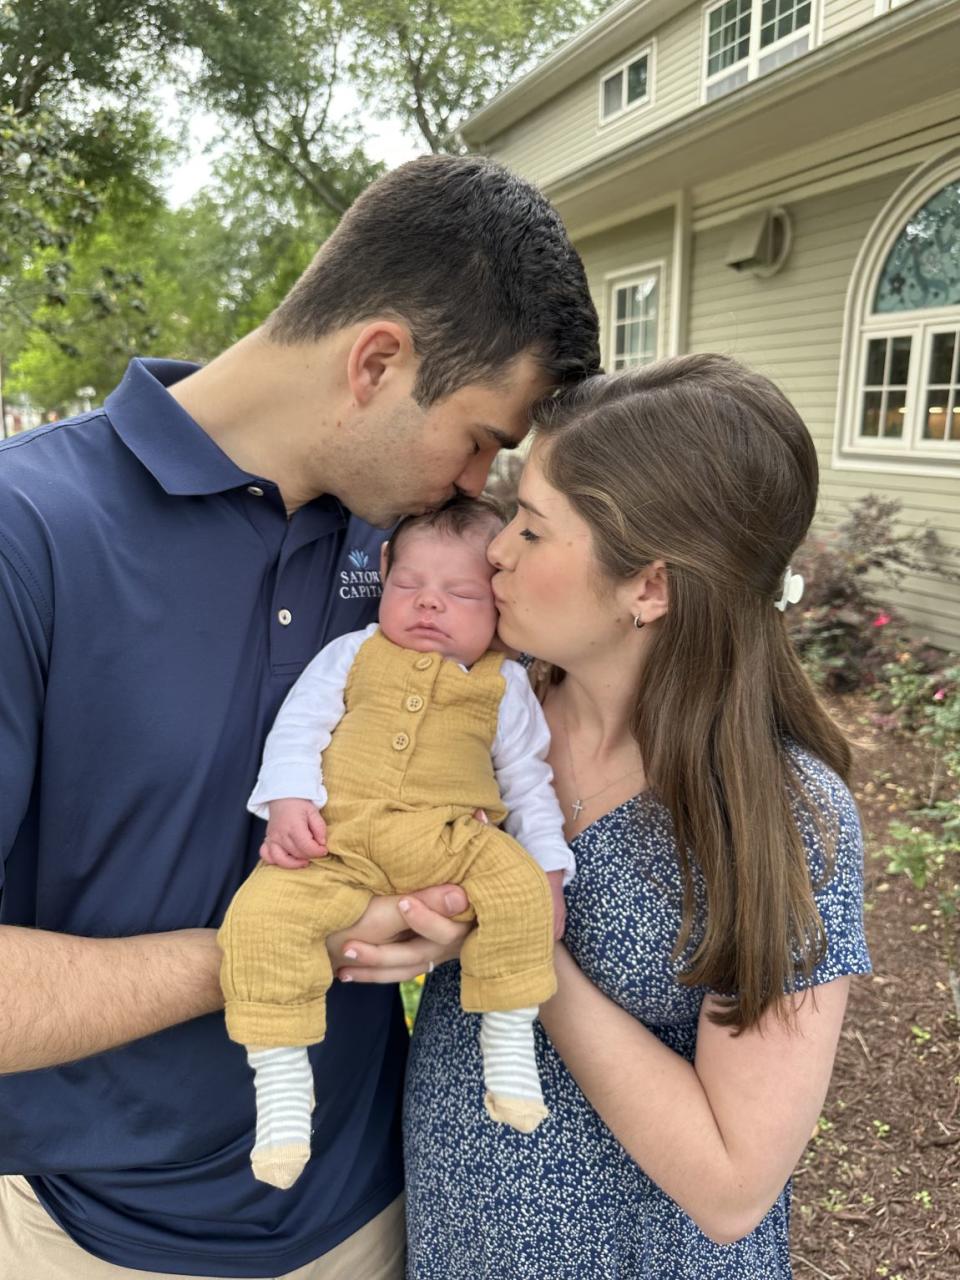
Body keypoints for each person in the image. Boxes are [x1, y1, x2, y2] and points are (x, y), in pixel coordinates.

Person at [0, 154, 599, 1278]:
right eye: (480, 438)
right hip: (96, 1243)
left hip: (382, 1215)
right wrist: (271, 949)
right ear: (377, 360)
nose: (481, 490)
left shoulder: (419, 552)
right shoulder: (26, 531)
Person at [341, 353, 871, 1278]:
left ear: (649, 588)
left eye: (535, 532)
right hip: (456, 1235)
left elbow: (732, 1184)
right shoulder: (496, 714)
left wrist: (520, 952)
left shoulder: (784, 818)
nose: (494, 549)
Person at [220, 496, 573, 1190]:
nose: (429, 605)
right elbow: (300, 729)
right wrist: (290, 800)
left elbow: (530, 785)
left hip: (452, 840)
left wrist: (550, 870)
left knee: (519, 888)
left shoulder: (503, 683)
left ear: (499, 602)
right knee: (258, 919)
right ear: (383, 574)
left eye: (461, 593)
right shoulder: (352, 654)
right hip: (337, 845)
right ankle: (283, 1085)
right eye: (409, 586)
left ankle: (507, 1040)